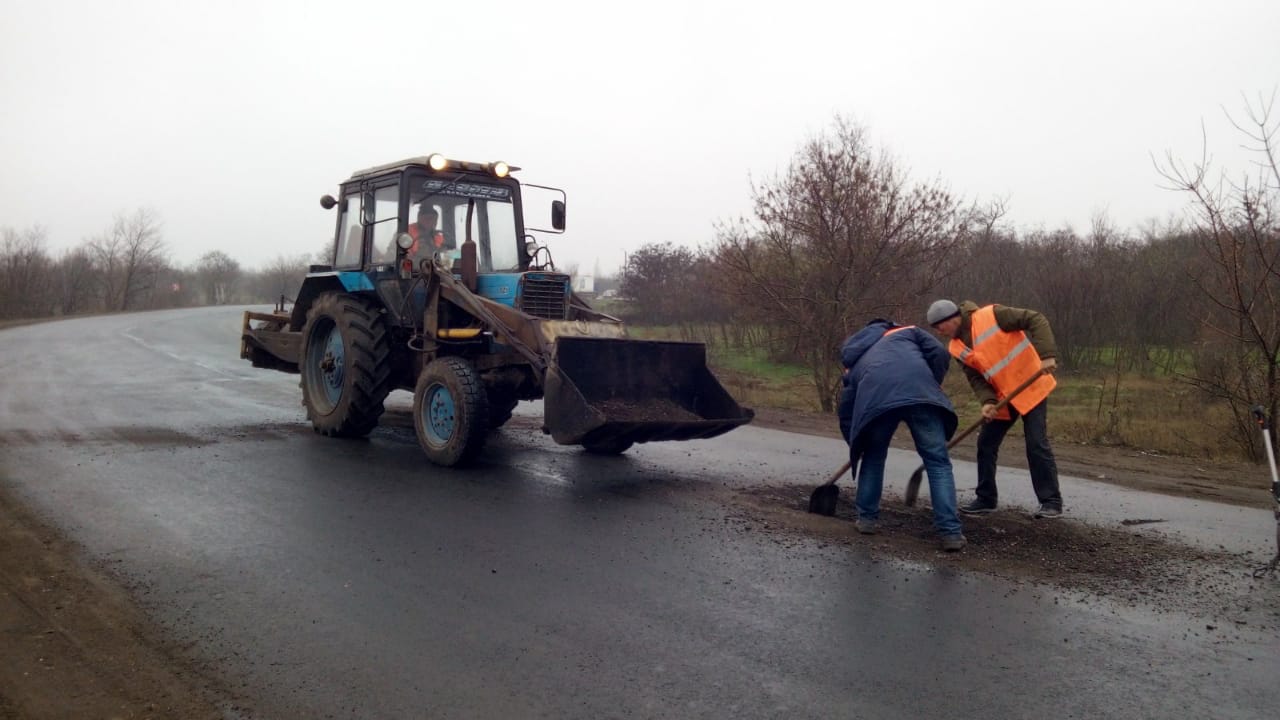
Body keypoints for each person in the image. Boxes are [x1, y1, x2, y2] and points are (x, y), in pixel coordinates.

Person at [926, 299, 1064, 519]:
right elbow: (976, 377)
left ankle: (1051, 502)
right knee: (986, 443)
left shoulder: (992, 315)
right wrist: (988, 402)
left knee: (1036, 443)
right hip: (1003, 396)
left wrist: (1047, 355)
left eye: (939, 327)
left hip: (1030, 385)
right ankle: (986, 499)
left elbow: (1035, 319)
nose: (939, 332)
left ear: (951, 319)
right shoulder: (955, 347)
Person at [837, 318, 966, 551]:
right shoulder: (908, 331)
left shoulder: (853, 360)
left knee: (873, 457)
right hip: (920, 393)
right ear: (887, 326)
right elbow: (939, 352)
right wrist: (931, 383)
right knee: (938, 463)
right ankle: (950, 533)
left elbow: (846, 409)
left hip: (877, 403)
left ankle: (866, 520)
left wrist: (856, 445)